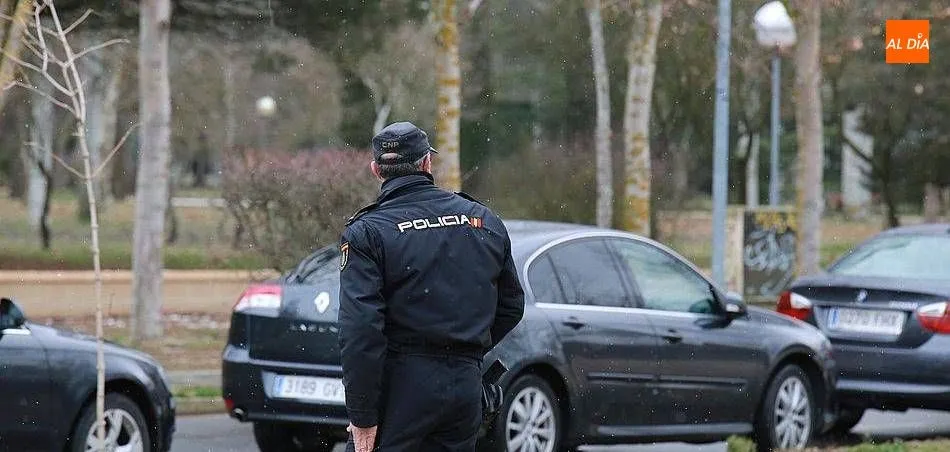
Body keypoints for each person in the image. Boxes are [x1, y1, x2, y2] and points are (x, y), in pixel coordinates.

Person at [338, 121, 525, 452]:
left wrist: (363, 416)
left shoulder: (368, 232)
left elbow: (361, 331)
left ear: (376, 170)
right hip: (465, 387)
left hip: (404, 386)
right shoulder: (482, 220)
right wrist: (464, 347)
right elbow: (511, 305)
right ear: (427, 163)